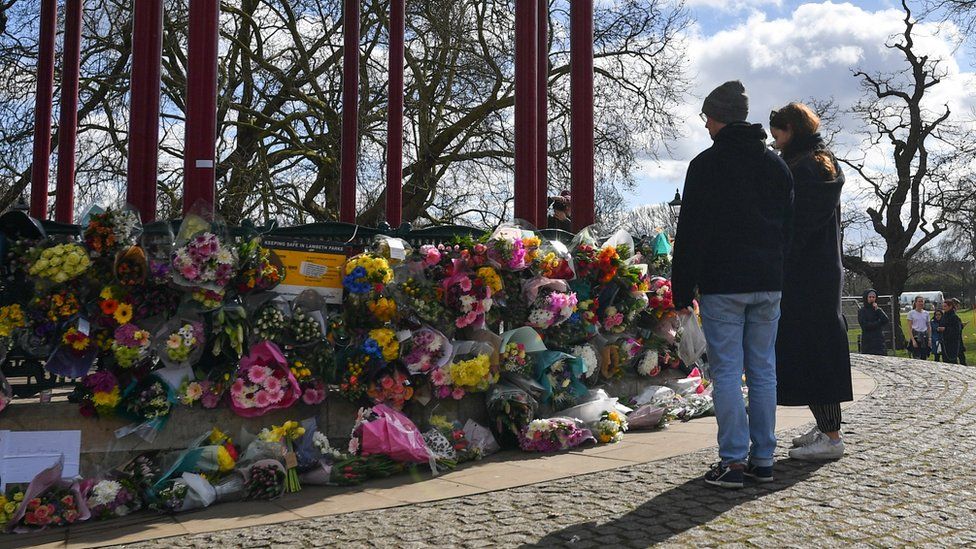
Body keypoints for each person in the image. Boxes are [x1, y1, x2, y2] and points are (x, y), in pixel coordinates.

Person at [672, 80, 793, 488]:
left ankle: (733, 461)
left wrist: (682, 289)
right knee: (763, 372)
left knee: (726, 373)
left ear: (717, 117)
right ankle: (763, 458)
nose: (705, 125)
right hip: (768, 281)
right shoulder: (776, 165)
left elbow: (691, 233)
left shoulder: (706, 165)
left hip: (724, 282)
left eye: (707, 117)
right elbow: (788, 230)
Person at [768, 102, 851, 461]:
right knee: (818, 346)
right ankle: (825, 426)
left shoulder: (804, 169)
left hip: (805, 273)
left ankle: (831, 436)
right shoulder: (821, 163)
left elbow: (795, 226)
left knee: (816, 350)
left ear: (792, 130)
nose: (776, 142)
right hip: (821, 271)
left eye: (779, 134)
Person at [858, 289, 889, 355]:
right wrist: (878, 323)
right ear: (866, 298)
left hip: (878, 339)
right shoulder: (862, 311)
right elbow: (865, 326)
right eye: (870, 297)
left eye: (873, 297)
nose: (872, 299)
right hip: (868, 340)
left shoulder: (878, 310)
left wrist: (878, 310)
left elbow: (886, 320)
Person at [938, 298, 964, 364]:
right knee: (945, 361)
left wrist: (945, 329)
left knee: (952, 360)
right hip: (944, 342)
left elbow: (957, 330)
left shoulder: (954, 317)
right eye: (943, 306)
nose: (944, 308)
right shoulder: (944, 316)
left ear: (950, 306)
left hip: (952, 343)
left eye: (945, 306)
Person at [906, 296, 931, 360]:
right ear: (916, 303)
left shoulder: (926, 313)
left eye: (922, 301)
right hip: (916, 336)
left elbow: (928, 326)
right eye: (919, 301)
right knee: (916, 356)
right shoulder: (911, 313)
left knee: (924, 355)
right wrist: (913, 340)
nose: (920, 303)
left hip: (924, 336)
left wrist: (929, 339)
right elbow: (909, 328)